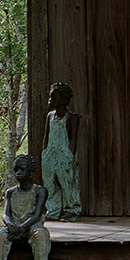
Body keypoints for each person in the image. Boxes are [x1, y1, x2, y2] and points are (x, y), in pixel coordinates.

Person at [0, 154, 51, 260]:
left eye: (22, 169)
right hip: (14, 227)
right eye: (16, 170)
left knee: (41, 236)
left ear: (31, 172)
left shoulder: (40, 191)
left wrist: (21, 229)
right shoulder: (10, 192)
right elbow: (6, 214)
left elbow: (36, 215)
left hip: (32, 226)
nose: (18, 173)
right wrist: (10, 224)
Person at [43, 82, 82, 220]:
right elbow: (46, 136)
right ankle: (53, 210)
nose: (50, 101)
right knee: (50, 183)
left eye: (54, 98)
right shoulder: (50, 116)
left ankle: (72, 209)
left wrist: (69, 156)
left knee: (68, 182)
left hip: (64, 155)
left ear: (64, 100)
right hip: (50, 154)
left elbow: (73, 139)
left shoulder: (71, 118)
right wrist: (45, 152)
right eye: (50, 98)